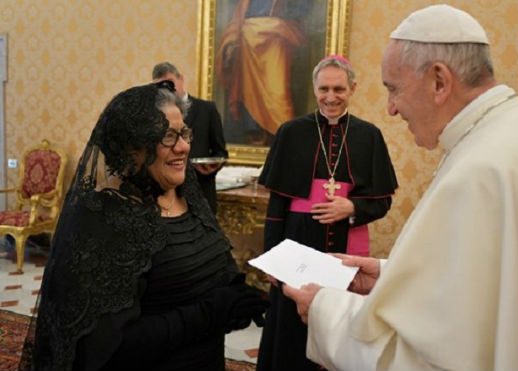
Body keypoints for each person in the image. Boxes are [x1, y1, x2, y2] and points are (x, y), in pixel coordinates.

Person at [281, 4, 518, 371]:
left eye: (394, 89)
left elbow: (434, 358)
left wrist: (326, 310)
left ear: (439, 81)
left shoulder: (485, 168)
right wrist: (387, 275)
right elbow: (482, 291)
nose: (390, 108)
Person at [20, 81, 268, 371]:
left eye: (184, 133)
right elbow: (109, 348)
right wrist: (211, 312)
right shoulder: (104, 221)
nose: (184, 146)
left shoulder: (188, 196)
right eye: (168, 137)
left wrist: (242, 298)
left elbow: (207, 277)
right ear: (131, 147)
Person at [256, 55, 398, 371]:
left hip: (347, 246)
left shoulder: (369, 135)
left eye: (338, 89)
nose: (331, 97)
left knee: (340, 326)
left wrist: (353, 207)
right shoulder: (291, 132)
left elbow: (382, 202)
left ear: (353, 89)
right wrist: (271, 256)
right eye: (324, 89)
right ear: (315, 88)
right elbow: (277, 206)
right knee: (290, 329)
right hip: (298, 243)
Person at [216, 0, 311, 145]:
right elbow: (238, 18)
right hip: (249, 40)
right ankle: (254, 130)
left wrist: (276, 23)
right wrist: (231, 42)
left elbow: (300, 12)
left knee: (278, 93)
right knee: (250, 90)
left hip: (277, 39)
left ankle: (286, 139)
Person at [152, 62, 228, 214]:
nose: (166, 91)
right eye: (160, 87)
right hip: (166, 198)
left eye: (170, 84)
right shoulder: (155, 114)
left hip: (201, 194)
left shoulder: (207, 109)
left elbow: (221, 153)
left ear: (181, 79)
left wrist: (210, 167)